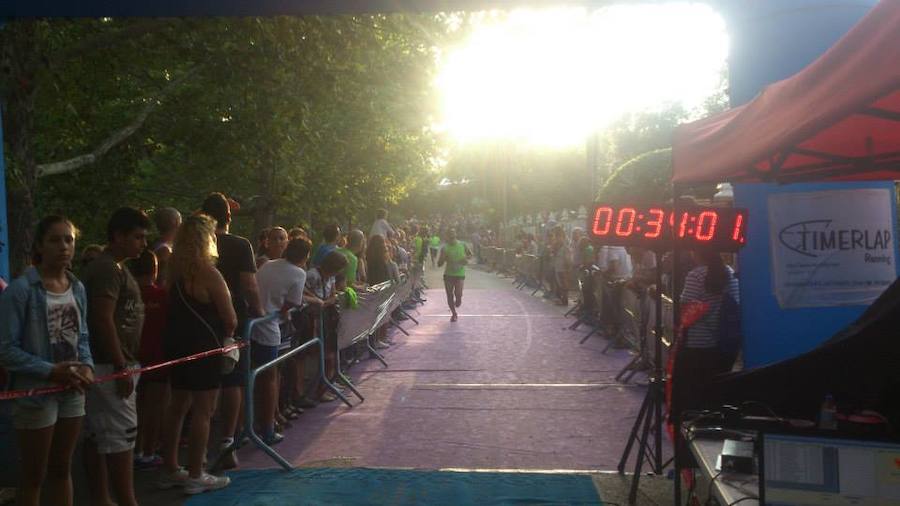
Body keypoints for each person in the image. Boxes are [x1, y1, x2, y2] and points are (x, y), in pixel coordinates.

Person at [0, 216, 94, 506]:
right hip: (36, 393)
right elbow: (6, 349)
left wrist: (87, 366)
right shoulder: (21, 290)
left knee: (62, 469)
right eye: (55, 240)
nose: (64, 247)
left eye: (69, 240)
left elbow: (82, 337)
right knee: (33, 475)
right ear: (40, 245)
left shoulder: (77, 287)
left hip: (72, 391)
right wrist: (51, 372)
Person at [158, 214, 236, 494]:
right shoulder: (209, 273)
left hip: (178, 347)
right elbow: (230, 318)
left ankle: (170, 468)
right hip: (204, 348)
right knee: (204, 411)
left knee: (177, 407)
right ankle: (195, 473)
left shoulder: (173, 271)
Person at [81, 207, 150, 506]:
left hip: (114, 363)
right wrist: (120, 365)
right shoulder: (107, 268)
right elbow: (102, 317)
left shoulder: (118, 268)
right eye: (137, 237)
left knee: (100, 437)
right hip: (110, 365)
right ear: (118, 236)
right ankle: (126, 501)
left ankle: (103, 499)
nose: (143, 244)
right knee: (121, 438)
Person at [200, 192, 263, 470]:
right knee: (233, 381)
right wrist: (260, 311)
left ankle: (198, 452)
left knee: (203, 385)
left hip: (199, 319)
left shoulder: (193, 245)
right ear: (229, 218)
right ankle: (227, 440)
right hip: (232, 320)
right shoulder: (240, 245)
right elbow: (249, 285)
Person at [253, 238, 311, 444]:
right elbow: (293, 303)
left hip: (252, 323)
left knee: (254, 379)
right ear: (305, 257)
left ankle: (255, 424)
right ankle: (267, 428)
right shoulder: (298, 273)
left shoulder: (267, 264)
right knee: (270, 379)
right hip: (269, 328)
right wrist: (282, 313)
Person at [128, 249, 169, 470]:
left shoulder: (126, 295)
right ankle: (148, 451)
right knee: (155, 407)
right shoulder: (162, 296)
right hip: (158, 358)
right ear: (155, 269)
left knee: (135, 406)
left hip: (131, 358)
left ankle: (133, 450)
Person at [303, 251, 347, 402]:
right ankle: (318, 390)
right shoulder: (313, 275)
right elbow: (302, 291)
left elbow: (333, 295)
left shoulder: (332, 276)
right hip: (314, 318)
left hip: (328, 317)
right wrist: (319, 301)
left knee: (331, 355)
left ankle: (326, 387)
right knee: (322, 356)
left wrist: (327, 302)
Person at [438, 229, 472, 322]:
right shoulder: (444, 248)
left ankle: (458, 299)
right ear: (447, 237)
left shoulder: (463, 245)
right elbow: (439, 264)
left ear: (455, 236)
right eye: (449, 236)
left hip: (459, 273)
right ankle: (454, 314)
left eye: (453, 236)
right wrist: (443, 258)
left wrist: (466, 259)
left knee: (458, 294)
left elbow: (470, 255)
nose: (451, 238)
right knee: (449, 295)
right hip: (448, 274)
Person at [152, 207, 182, 284]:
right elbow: (163, 279)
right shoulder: (164, 251)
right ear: (175, 222)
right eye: (180, 220)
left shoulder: (157, 244)